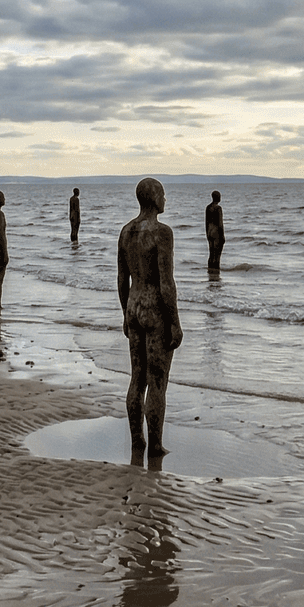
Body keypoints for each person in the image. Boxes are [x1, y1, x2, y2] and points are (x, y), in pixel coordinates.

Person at [117, 177, 183, 463]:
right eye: (163, 194)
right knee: (157, 380)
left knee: (136, 378)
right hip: (154, 308)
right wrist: (175, 321)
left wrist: (124, 312)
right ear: (154, 197)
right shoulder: (161, 233)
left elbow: (122, 279)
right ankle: (155, 444)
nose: (166, 199)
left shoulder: (126, 231)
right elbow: (166, 283)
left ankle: (136, 441)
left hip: (134, 305)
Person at [205, 189, 224, 272]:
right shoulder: (218, 208)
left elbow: (206, 222)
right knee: (217, 254)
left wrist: (207, 234)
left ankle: (210, 270)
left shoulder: (208, 208)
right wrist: (222, 236)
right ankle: (216, 270)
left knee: (211, 253)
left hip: (210, 232)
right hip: (217, 233)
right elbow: (220, 223)